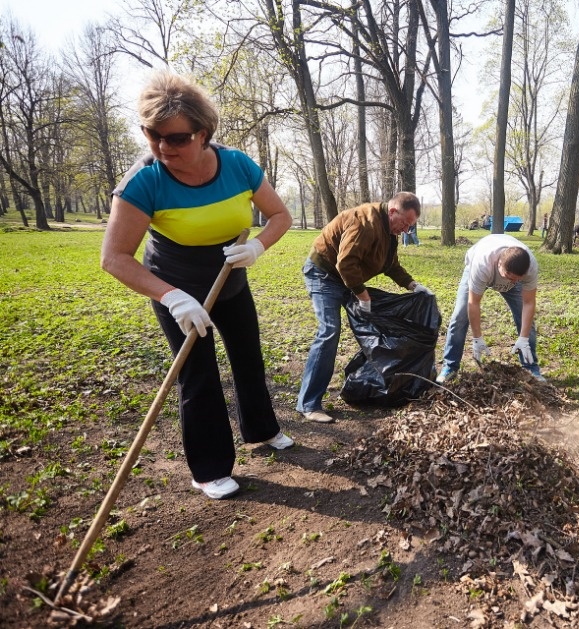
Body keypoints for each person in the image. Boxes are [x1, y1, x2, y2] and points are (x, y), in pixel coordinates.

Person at [101, 72, 295, 500]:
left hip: (230, 279)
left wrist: (258, 247)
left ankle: (263, 430)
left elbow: (281, 216)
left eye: (177, 138)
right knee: (198, 375)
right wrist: (171, 297)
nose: (163, 148)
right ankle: (208, 470)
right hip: (177, 288)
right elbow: (113, 258)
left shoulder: (238, 166)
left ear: (203, 133)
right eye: (153, 136)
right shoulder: (144, 181)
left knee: (248, 358)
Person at [297, 192, 433, 422]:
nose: (406, 229)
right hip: (324, 274)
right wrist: (363, 297)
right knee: (329, 331)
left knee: (378, 326)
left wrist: (412, 285)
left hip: (347, 278)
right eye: (405, 223)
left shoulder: (390, 231)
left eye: (411, 226)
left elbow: (390, 264)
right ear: (392, 211)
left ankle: (368, 379)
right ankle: (309, 403)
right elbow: (346, 263)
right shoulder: (365, 222)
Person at [437, 234, 544, 383]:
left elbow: (529, 303)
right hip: (478, 269)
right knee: (459, 316)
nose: (513, 282)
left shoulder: (529, 266)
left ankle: (531, 368)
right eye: (509, 276)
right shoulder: (482, 265)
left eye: (517, 279)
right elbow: (473, 303)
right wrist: (477, 338)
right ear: (499, 263)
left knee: (526, 320)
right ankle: (450, 367)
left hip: (510, 269)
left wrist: (524, 338)